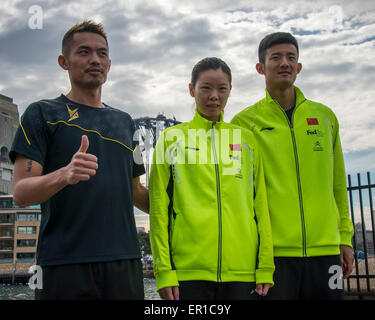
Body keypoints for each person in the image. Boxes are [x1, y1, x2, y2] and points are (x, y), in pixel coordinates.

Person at [10, 21, 149, 300]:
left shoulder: (126, 123)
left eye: (102, 53)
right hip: (63, 264)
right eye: (84, 52)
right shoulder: (41, 114)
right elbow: (21, 193)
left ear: (109, 63)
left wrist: (183, 197)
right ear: (64, 61)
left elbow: (136, 192)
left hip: (124, 262)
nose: (95, 59)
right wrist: (65, 174)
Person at [231, 32, 354, 300]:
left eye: (291, 57)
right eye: (276, 57)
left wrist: (344, 237)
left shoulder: (325, 117)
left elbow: (337, 184)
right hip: (273, 255)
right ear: (260, 68)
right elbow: (238, 193)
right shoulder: (242, 123)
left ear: (298, 67)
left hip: (326, 250)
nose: (284, 63)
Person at [149, 57, 274, 300]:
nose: (214, 96)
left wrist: (265, 266)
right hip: (188, 272)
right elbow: (158, 209)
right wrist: (164, 270)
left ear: (230, 91)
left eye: (222, 88)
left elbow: (261, 206)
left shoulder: (246, 140)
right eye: (205, 88)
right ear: (191, 89)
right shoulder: (171, 139)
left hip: (243, 271)